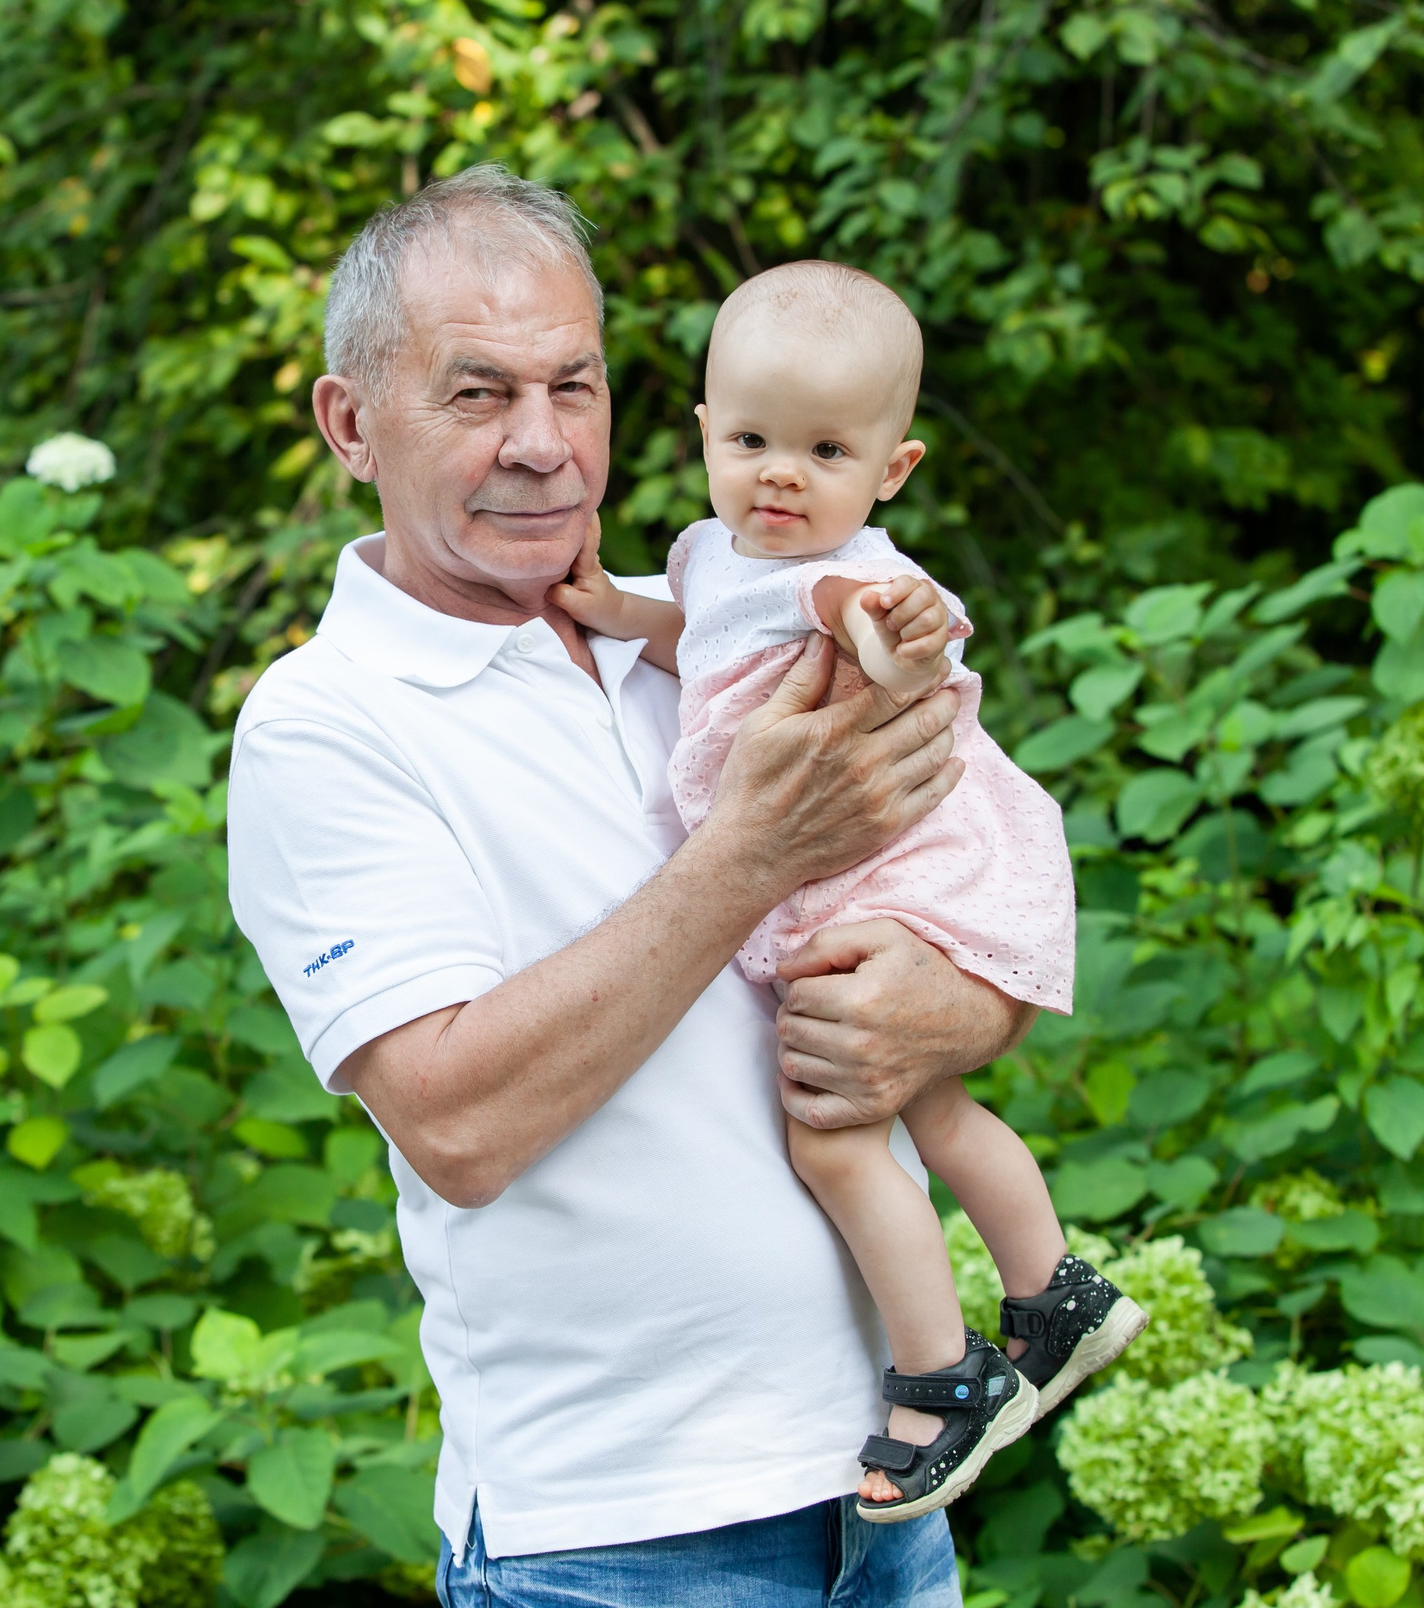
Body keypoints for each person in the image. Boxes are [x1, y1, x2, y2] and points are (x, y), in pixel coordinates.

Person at [226, 164, 1033, 1606]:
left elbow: (986, 882)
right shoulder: (325, 721)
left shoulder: (717, 626)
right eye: (478, 395)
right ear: (351, 425)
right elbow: (458, 1122)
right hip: (617, 1539)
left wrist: (959, 1009)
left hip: (883, 1491)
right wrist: (753, 853)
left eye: (575, 387)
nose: (542, 445)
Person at [550, 260, 1143, 1523]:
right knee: (928, 1101)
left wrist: (890, 637)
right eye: (752, 441)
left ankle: (942, 1381)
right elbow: (714, 639)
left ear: (891, 470)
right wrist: (619, 611)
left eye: (825, 451)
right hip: (860, 870)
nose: (781, 476)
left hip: (885, 870)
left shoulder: (849, 572)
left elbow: (854, 618)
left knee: (832, 1132)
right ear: (704, 433)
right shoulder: (714, 558)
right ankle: (1054, 1292)